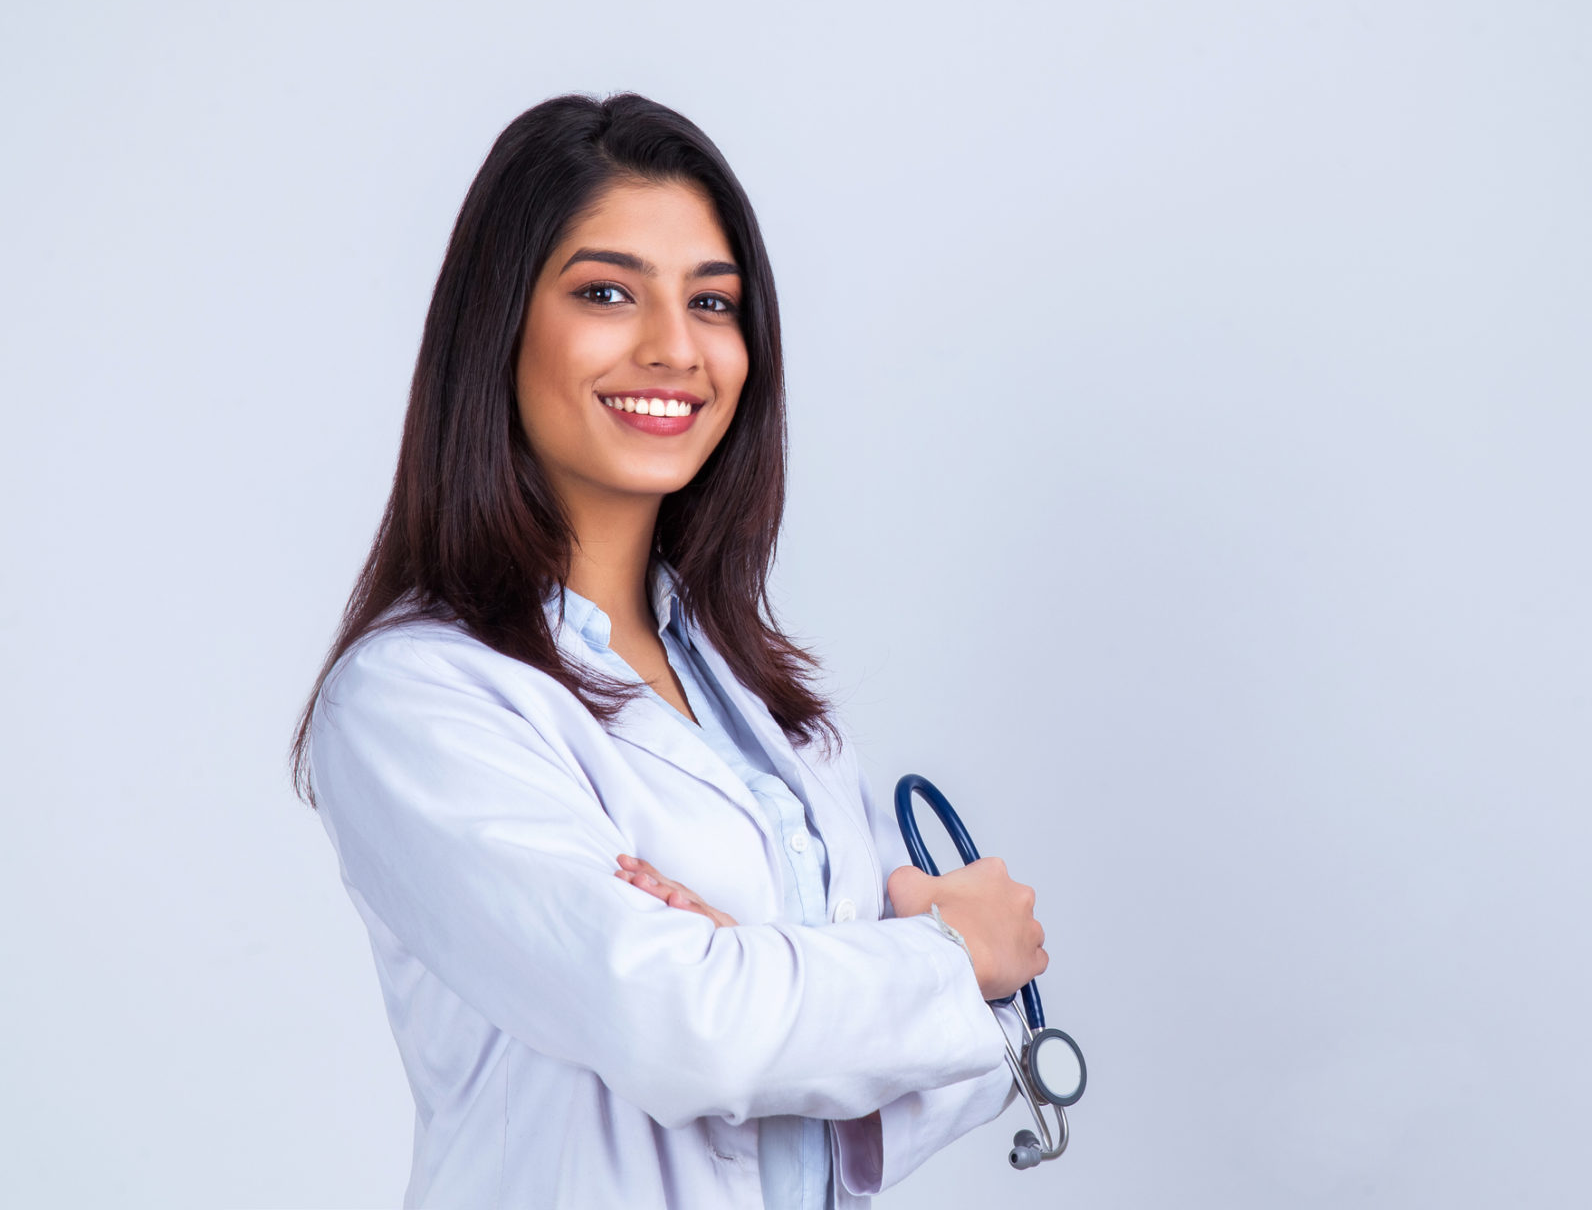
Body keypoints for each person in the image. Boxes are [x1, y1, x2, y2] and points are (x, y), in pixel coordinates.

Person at [289, 93, 1049, 1210]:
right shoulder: (417, 696)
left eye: (713, 302)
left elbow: (870, 1092)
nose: (674, 348)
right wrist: (939, 956)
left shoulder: (766, 704)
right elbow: (682, 1027)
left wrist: (763, 977)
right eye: (606, 292)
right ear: (499, 325)